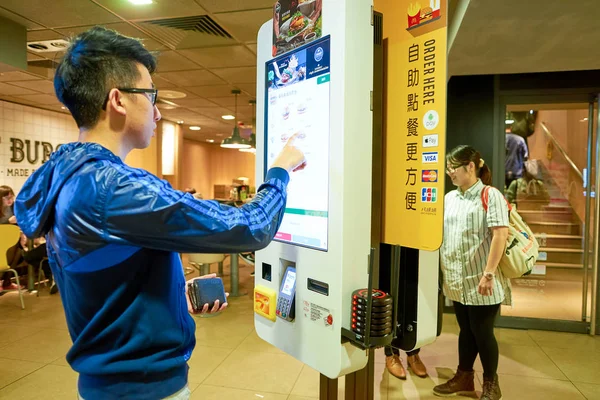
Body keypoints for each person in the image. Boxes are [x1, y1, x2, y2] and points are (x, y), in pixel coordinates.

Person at [14, 27, 306, 400]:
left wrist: (168, 298)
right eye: (150, 95)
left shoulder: (69, 175)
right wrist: (280, 172)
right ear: (118, 100)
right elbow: (249, 228)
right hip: (142, 389)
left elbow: (104, 279)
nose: (157, 110)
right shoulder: (113, 188)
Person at [434, 145, 510, 400]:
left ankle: (491, 382)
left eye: (452, 168)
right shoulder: (450, 198)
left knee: (483, 332)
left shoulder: (491, 195)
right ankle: (464, 376)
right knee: (466, 330)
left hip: (482, 280)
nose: (449, 173)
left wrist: (488, 274)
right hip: (458, 280)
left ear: (470, 166)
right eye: (447, 168)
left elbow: (500, 234)